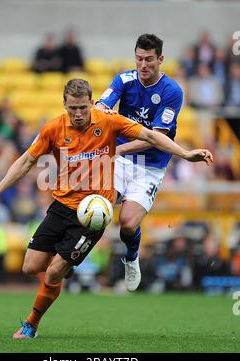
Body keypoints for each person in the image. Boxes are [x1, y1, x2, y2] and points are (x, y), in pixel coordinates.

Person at [0, 79, 213, 339]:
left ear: (92, 103)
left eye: (83, 108)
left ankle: (31, 324)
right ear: (64, 105)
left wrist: (186, 154)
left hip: (93, 214)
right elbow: (26, 160)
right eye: (73, 108)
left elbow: (150, 135)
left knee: (54, 271)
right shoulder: (53, 128)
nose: (78, 114)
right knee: (31, 266)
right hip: (62, 206)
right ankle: (67, 261)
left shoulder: (108, 120)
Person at [96, 34, 186, 291]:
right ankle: (74, 255)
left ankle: (132, 257)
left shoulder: (171, 91)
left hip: (149, 167)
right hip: (120, 160)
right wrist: (103, 109)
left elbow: (156, 138)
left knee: (127, 222)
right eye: (139, 59)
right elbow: (103, 104)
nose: (143, 65)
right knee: (99, 209)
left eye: (149, 59)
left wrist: (118, 149)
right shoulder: (124, 80)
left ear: (160, 59)